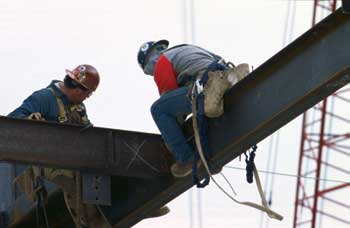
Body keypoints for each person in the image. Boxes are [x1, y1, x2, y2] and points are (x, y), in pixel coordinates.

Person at [137, 40, 250, 178]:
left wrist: (171, 136)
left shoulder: (162, 62)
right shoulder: (186, 49)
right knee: (200, 108)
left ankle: (187, 160)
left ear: (148, 67)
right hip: (221, 76)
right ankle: (209, 157)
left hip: (204, 86)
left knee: (158, 110)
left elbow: (170, 103)